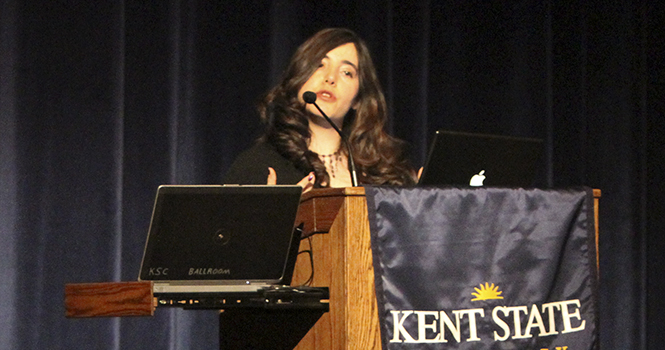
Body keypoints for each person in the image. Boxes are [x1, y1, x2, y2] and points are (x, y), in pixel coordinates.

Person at [223, 28, 416, 190]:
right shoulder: (258, 167)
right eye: (320, 65)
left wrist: (426, 203)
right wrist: (279, 218)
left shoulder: (387, 176)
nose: (330, 78)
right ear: (298, 78)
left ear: (358, 99)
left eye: (347, 73)